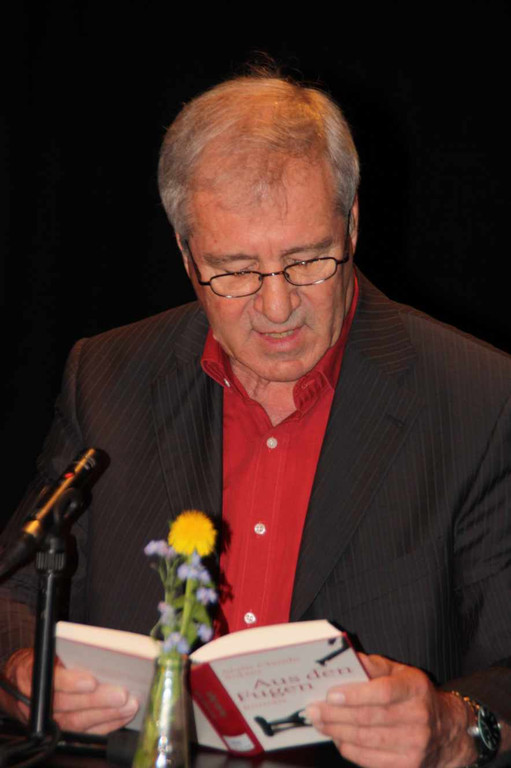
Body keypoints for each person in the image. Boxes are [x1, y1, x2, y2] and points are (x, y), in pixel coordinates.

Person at [1, 71, 510, 767]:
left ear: (352, 224)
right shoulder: (109, 375)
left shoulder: (477, 397)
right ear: (185, 253)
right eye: (235, 270)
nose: (277, 308)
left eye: (306, 261)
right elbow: (14, 590)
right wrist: (23, 673)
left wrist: (456, 727)